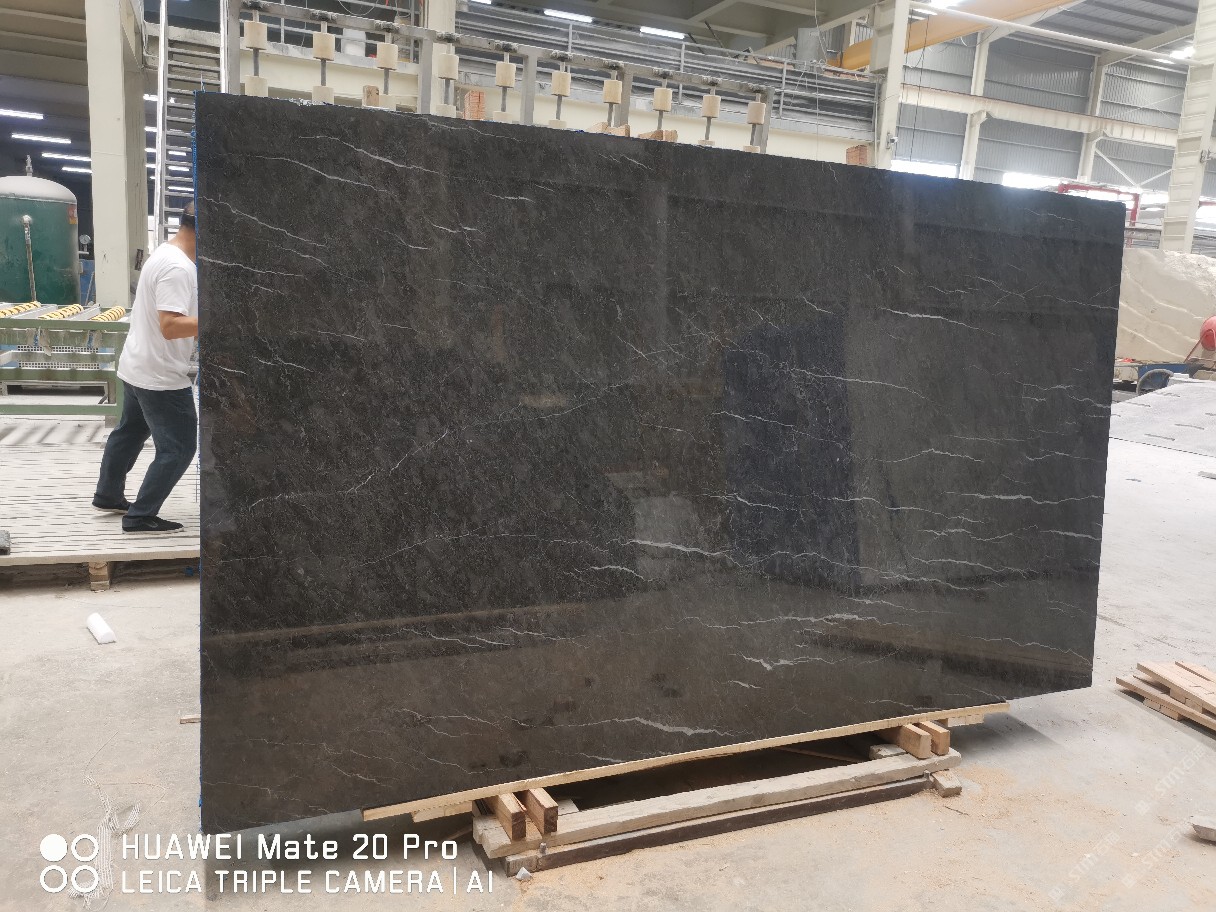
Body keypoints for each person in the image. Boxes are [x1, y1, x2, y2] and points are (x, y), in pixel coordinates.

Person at [94, 202, 199, 533]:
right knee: (179, 447)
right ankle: (140, 515)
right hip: (160, 375)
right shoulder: (179, 268)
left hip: (137, 365)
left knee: (129, 433)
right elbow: (170, 325)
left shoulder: (165, 252)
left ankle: (108, 495)